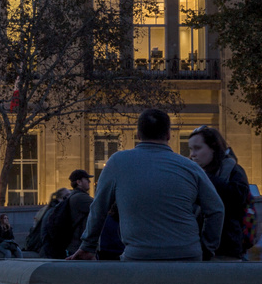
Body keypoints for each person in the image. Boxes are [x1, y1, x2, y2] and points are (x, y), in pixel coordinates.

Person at [70, 109, 224, 262]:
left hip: (140, 256)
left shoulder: (118, 162)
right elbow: (216, 209)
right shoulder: (190, 167)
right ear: (169, 135)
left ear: (138, 135)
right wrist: (207, 248)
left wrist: (88, 246)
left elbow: (99, 208)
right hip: (188, 254)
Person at [187, 126, 253, 259]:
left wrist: (205, 178)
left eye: (198, 148)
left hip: (226, 249)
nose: (192, 154)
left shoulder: (233, 170)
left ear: (213, 148)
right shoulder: (195, 174)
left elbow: (237, 198)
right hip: (196, 247)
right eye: (191, 149)